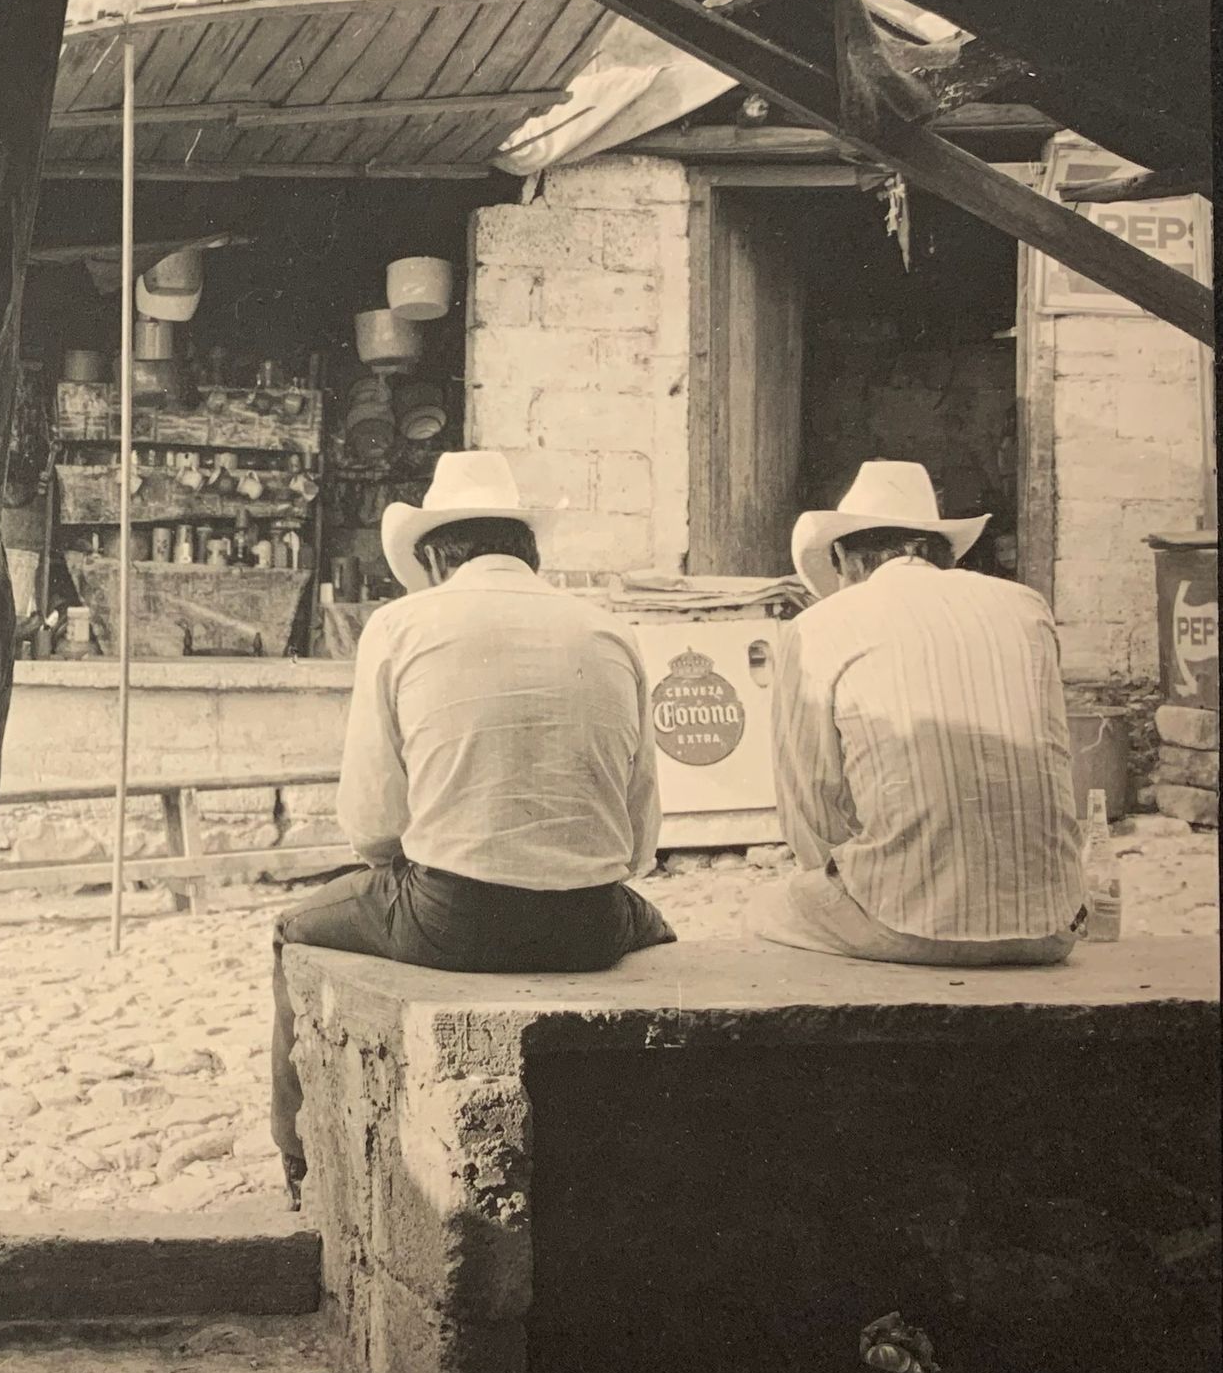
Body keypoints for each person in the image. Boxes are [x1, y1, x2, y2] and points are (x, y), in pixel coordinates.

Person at [271, 451, 673, 1205]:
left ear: (431, 559)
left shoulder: (398, 626)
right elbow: (640, 837)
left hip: (452, 921)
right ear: (528, 552)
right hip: (591, 923)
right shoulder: (609, 629)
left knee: (290, 930)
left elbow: (372, 826)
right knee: (658, 931)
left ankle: (296, 1163)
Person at [752, 460, 1084, 966]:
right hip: (1052, 925)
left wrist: (852, 873)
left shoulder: (817, 626)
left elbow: (810, 805)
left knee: (763, 909)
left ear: (843, 558)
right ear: (942, 552)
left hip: (908, 924)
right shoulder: (1026, 606)